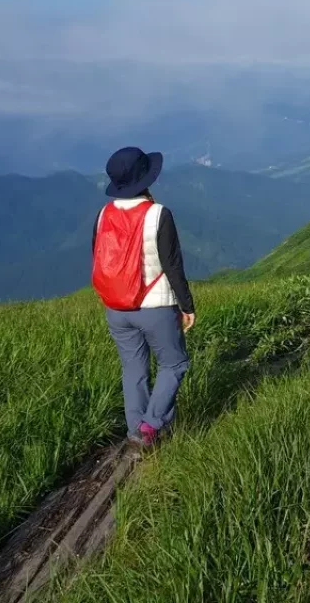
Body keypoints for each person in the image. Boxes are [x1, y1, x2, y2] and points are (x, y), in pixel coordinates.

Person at [91, 147, 196, 448]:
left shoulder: (104, 214)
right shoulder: (158, 214)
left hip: (116, 308)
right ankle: (150, 427)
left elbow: (98, 257)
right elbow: (172, 265)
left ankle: (135, 430)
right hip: (155, 306)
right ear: (145, 178)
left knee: (133, 369)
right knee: (174, 364)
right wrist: (187, 306)